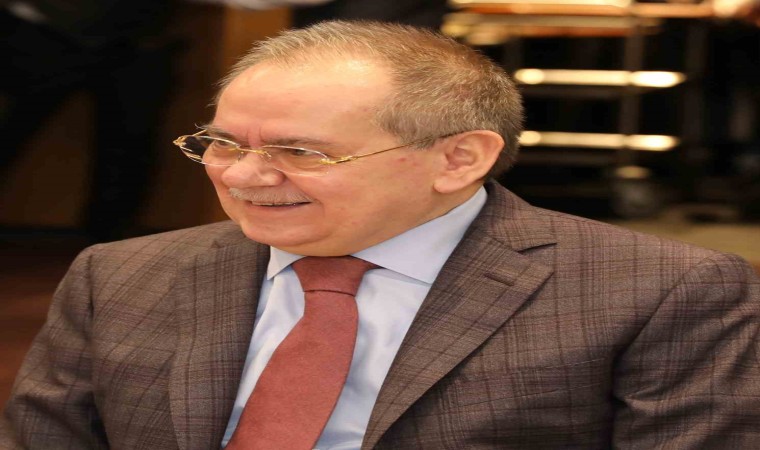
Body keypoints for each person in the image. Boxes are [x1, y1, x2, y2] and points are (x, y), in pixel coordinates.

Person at [2, 20, 759, 449]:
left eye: (300, 152)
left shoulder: (662, 294)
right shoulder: (120, 274)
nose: (243, 177)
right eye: (223, 143)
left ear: (458, 159)